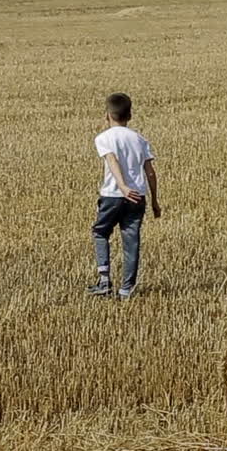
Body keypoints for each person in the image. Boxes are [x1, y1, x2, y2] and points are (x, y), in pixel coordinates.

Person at [88, 93, 160, 299]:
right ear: (130, 115)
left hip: (113, 194)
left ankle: (104, 280)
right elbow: (151, 173)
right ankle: (126, 289)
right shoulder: (140, 140)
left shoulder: (103, 138)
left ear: (107, 116)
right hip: (138, 197)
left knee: (100, 232)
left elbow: (112, 161)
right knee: (131, 241)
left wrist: (122, 186)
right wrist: (154, 200)